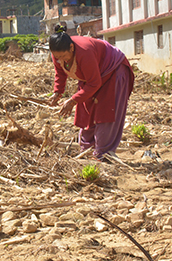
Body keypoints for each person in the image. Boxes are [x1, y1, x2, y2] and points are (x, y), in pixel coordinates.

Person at [48, 24, 134, 161]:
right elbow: (60, 72)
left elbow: (94, 83)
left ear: (71, 47)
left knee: (106, 113)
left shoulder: (84, 51)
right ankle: (87, 152)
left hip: (113, 72)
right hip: (92, 76)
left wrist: (72, 101)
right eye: (57, 57)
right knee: (86, 112)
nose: (61, 60)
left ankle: (103, 155)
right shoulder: (58, 53)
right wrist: (57, 93)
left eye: (64, 56)